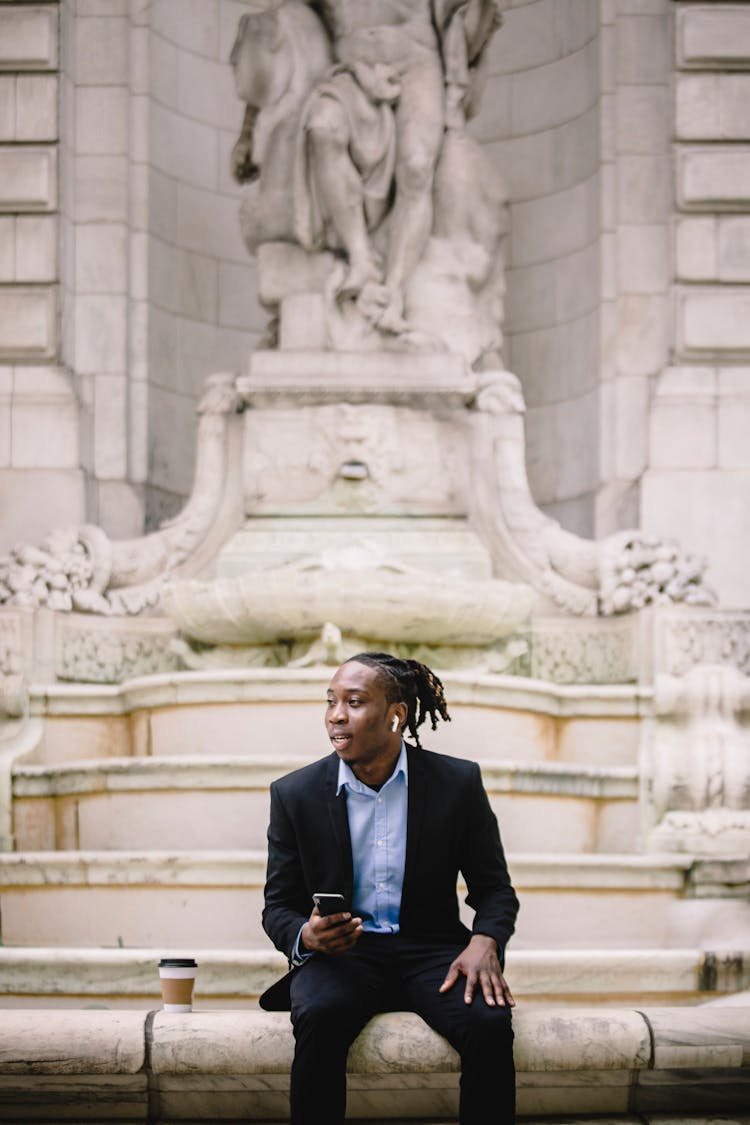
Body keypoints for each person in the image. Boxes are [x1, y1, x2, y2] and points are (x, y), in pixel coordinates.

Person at [260, 651, 519, 1124]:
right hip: (345, 957)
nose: (336, 715)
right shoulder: (294, 794)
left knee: (489, 1022)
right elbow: (277, 905)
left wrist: (486, 941)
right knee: (318, 1015)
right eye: (331, 701)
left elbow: (496, 890)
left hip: (433, 952)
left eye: (354, 702)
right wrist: (307, 936)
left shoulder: (456, 784)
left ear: (396, 715)